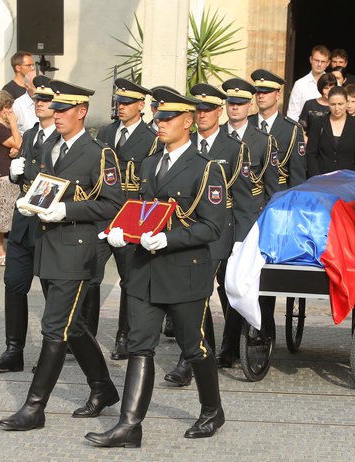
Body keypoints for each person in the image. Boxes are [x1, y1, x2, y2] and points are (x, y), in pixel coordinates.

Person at [85, 87, 227, 447]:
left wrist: (170, 239)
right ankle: (129, 425)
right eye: (158, 118)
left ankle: (212, 410)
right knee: (140, 345)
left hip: (183, 270)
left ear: (188, 122)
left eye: (167, 118)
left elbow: (213, 226)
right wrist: (121, 231)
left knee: (193, 346)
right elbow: (139, 210)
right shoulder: (149, 164)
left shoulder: (206, 169)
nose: (159, 124)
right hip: (145, 270)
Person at [0, 80, 124, 431]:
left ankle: (34, 407)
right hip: (48, 246)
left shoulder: (100, 154)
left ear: (81, 112)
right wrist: (27, 197)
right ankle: (102, 387)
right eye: (55, 109)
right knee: (73, 325)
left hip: (78, 250)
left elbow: (112, 203)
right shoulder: (49, 143)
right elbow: (41, 187)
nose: (57, 115)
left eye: (64, 110)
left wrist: (67, 210)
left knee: (55, 326)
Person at [163, 83, 255, 386]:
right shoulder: (184, 146)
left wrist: (242, 240)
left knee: (204, 290)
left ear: (220, 111)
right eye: (197, 110)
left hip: (221, 230)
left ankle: (191, 359)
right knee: (194, 291)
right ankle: (205, 350)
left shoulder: (233, 148)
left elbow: (243, 198)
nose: (202, 115)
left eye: (208, 109)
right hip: (184, 228)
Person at [0, 75, 57, 373]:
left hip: (50, 224)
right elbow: (24, 175)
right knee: (14, 285)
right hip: (24, 221)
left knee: (53, 290)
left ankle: (51, 351)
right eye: (36, 99)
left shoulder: (63, 139)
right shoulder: (29, 136)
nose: (39, 104)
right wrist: (16, 174)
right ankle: (14, 349)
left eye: (46, 99)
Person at [81, 78, 156, 361]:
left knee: (130, 280)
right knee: (90, 277)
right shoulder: (105, 131)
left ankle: (125, 336)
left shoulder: (150, 138)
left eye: (127, 103)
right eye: (118, 102)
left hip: (131, 217)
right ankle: (85, 335)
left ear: (141, 105)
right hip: (102, 214)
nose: (121, 107)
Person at [218, 77, 280, 367]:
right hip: (220, 220)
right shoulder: (217, 138)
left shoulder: (263, 141)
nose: (235, 108)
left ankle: (237, 341)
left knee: (247, 281)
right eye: (231, 103)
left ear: (249, 105)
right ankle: (231, 340)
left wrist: (268, 225)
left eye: (241, 103)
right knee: (223, 282)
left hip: (251, 221)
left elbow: (272, 188)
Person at [250, 68, 307, 191]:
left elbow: (297, 175)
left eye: (266, 92)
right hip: (251, 198)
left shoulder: (292, 130)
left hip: (279, 194)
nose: (260, 96)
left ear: (278, 95)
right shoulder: (247, 125)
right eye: (258, 92)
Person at [0, 90, 22, 266]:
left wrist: (16, 146)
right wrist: (14, 125)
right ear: (3, 108)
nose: (12, 113)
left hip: (7, 174)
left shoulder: (2, 125)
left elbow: (17, 145)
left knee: (5, 215)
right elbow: (17, 142)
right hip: (0, 175)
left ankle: (0, 249)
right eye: (9, 108)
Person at [305, 86, 355, 177]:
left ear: (346, 103)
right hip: (321, 180)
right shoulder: (318, 123)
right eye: (333, 104)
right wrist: (318, 178)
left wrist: (351, 178)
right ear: (328, 104)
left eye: (340, 104)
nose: (337, 108)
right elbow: (311, 154)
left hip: (347, 181)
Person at [287, 45, 331, 121]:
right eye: (316, 60)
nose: (319, 64)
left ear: (328, 63)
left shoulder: (335, 84)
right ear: (310, 59)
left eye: (323, 61)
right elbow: (292, 114)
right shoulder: (300, 84)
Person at [298, 72, 337, 137]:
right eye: (326, 88)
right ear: (320, 88)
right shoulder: (310, 104)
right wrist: (305, 139)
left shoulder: (338, 106)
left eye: (332, 88)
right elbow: (301, 128)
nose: (329, 91)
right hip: (310, 143)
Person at [13, 70, 40, 134]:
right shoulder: (17, 105)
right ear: (26, 86)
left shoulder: (50, 101)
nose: (40, 90)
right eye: (36, 87)